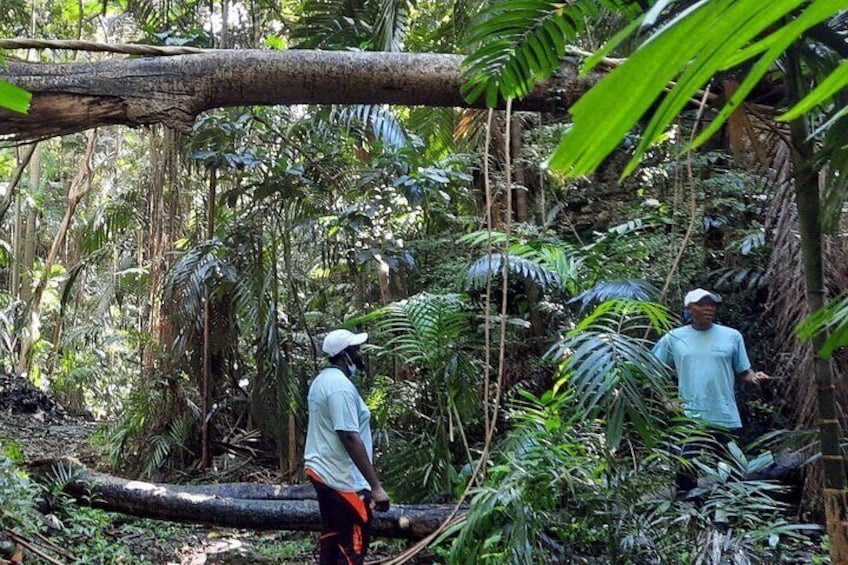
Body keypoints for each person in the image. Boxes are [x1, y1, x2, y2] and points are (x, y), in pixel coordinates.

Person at [652, 288, 769, 494]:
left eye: (712, 304)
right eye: (702, 304)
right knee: (686, 470)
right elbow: (652, 368)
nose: (709, 308)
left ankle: (728, 517)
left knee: (732, 469)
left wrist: (756, 378)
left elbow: (744, 371)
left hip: (724, 413)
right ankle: (689, 518)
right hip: (690, 416)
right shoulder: (674, 338)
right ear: (689, 308)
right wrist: (666, 400)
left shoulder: (732, 336)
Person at [304, 328, 390, 564]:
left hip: (323, 472)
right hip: (341, 479)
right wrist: (376, 487)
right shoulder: (339, 387)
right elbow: (349, 436)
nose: (361, 355)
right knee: (352, 546)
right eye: (357, 350)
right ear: (346, 356)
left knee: (333, 539)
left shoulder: (322, 381)